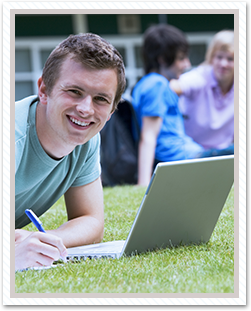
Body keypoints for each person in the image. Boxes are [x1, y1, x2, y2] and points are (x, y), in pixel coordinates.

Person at [15, 33, 126, 270]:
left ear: (112, 110)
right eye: (74, 91)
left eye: (101, 99)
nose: (86, 109)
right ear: (44, 90)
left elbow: (91, 221)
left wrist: (41, 242)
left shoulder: (86, 140)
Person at [131, 24, 204, 186]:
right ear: (162, 59)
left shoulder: (149, 84)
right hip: (181, 159)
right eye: (181, 58)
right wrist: (143, 182)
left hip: (189, 154)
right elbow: (148, 136)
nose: (187, 64)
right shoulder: (156, 85)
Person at [169, 30, 234, 154]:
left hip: (224, 152)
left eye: (230, 59)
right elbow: (169, 88)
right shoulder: (200, 77)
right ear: (211, 58)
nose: (223, 64)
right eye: (219, 57)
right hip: (193, 152)